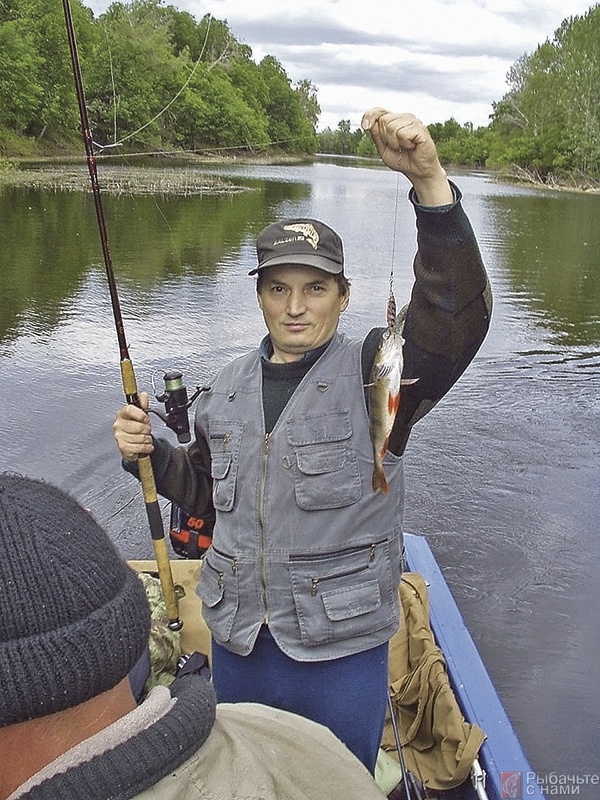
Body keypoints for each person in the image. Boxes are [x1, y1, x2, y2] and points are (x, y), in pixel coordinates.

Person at [113, 108, 492, 774]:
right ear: (258, 295)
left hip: (338, 654)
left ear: (344, 298)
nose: (295, 307)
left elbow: (454, 314)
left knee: (335, 783)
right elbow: (204, 493)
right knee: (246, 778)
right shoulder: (226, 387)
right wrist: (151, 458)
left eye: (315, 289)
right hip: (237, 646)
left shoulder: (381, 370)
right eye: (278, 288)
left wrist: (431, 187)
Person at [0, 472, 389, 800]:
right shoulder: (305, 739)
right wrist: (158, 458)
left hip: (338, 639)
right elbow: (204, 489)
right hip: (238, 632)